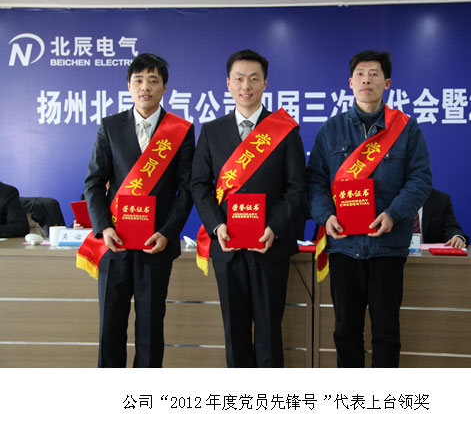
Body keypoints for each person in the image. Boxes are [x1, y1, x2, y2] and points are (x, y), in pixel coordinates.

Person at [307, 50, 432, 368]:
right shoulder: (331, 130)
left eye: (374, 74)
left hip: (387, 246)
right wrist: (326, 216)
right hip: (343, 246)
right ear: (350, 83)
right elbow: (315, 182)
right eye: (360, 74)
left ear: (387, 83)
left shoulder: (406, 129)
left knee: (386, 332)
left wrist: (393, 214)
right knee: (345, 331)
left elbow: (420, 180)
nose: (366, 80)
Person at [191, 49, 306, 367]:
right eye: (239, 78)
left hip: (271, 246)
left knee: (269, 333)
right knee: (235, 334)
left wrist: (275, 227)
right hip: (227, 247)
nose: (246, 86)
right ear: (228, 83)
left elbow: (296, 187)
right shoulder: (212, 131)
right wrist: (217, 225)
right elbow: (198, 184)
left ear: (265, 83)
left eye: (254, 79)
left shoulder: (285, 130)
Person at [80, 53, 195, 367]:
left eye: (153, 80)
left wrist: (167, 232)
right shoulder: (110, 126)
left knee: (150, 326)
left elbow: (186, 189)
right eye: (139, 80)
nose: (146, 87)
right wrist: (104, 227)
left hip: (155, 245)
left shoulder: (181, 130)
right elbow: (94, 182)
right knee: (110, 324)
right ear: (129, 86)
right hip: (114, 243)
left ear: (164, 87)